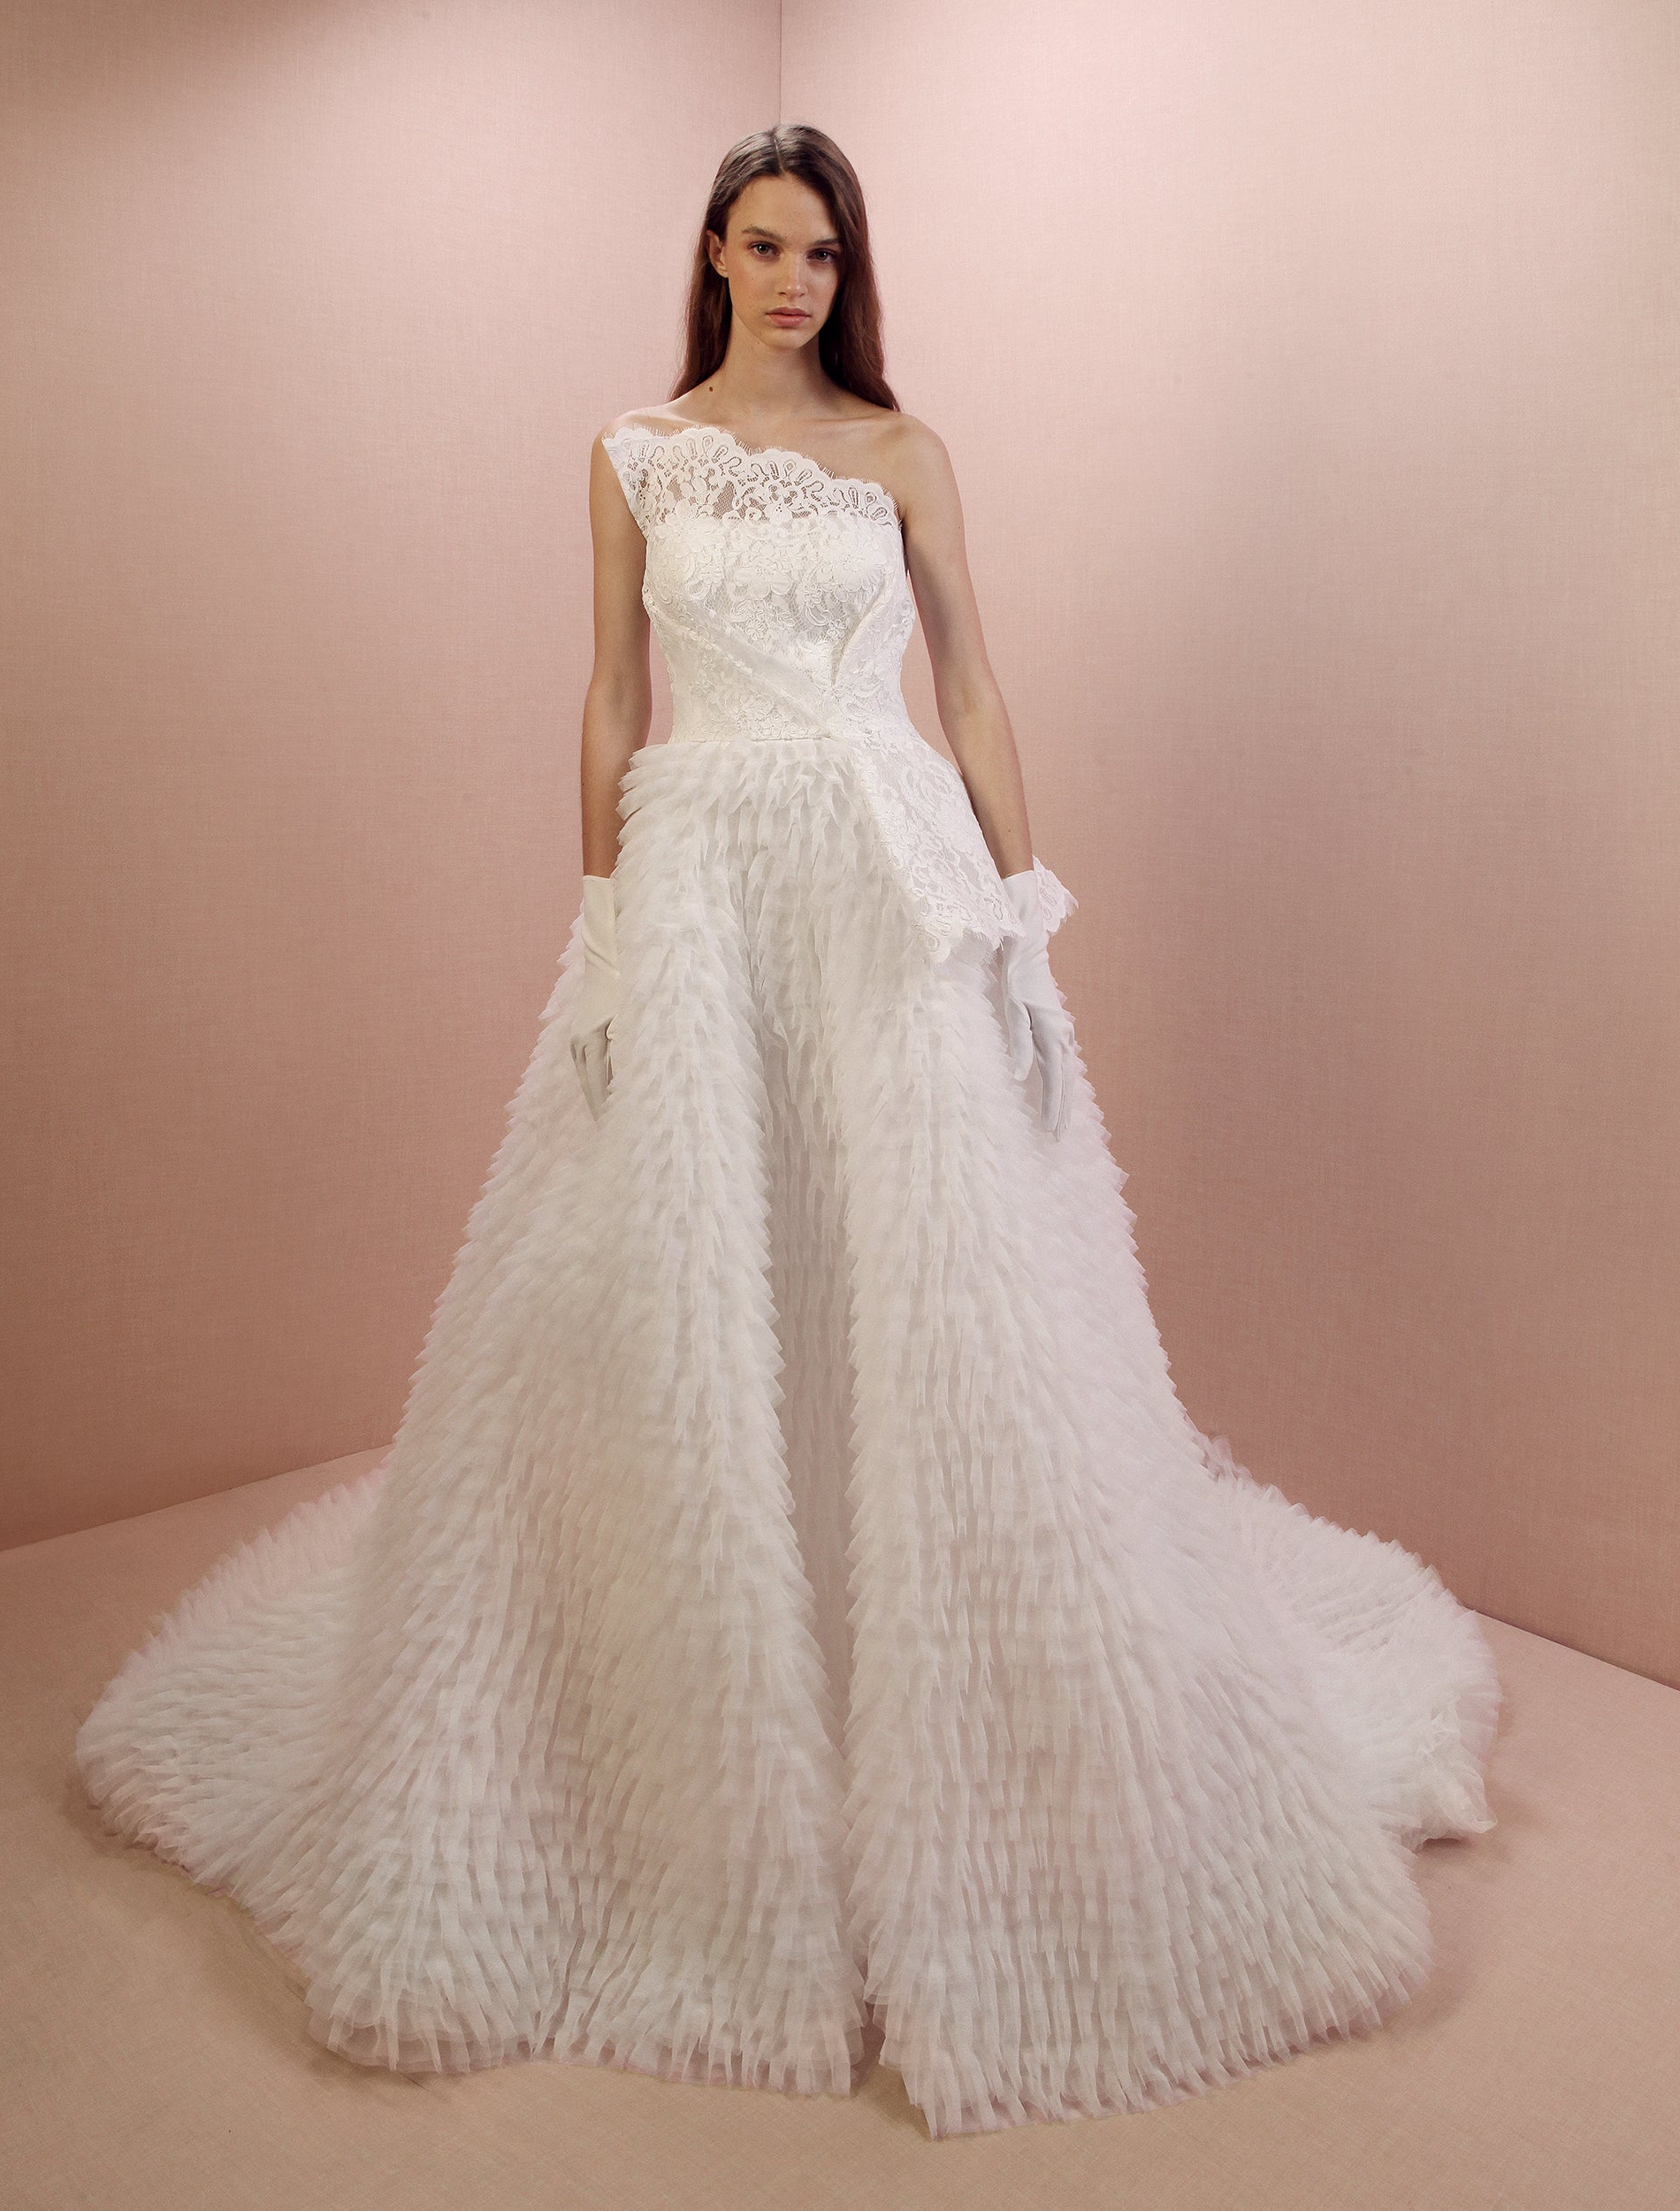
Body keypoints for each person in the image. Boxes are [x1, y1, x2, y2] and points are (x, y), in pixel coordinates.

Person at [77, 124, 1501, 2140]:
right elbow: (611, 694)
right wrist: (599, 923)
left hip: (889, 878)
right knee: (682, 1279)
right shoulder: (633, 454)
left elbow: (973, 689)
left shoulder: (904, 450)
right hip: (704, 885)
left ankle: (989, 1725)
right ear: (712, 254)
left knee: (937, 1277)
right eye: (761, 245)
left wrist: (1024, 915)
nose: (791, 279)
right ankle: (680, 1739)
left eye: (820, 251)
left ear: (849, 269)